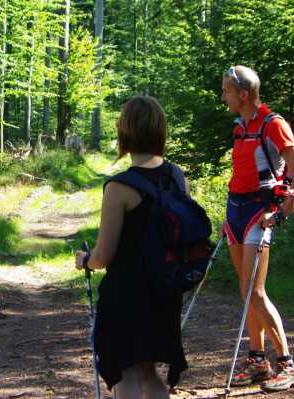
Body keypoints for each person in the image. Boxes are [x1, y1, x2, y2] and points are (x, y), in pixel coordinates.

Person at [74, 96, 186, 399]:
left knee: (128, 375)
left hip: (127, 294)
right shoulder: (177, 177)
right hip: (165, 291)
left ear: (125, 132)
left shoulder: (120, 186)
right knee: (150, 373)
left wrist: (85, 261)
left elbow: (104, 256)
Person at [220, 65, 294, 392]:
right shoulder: (241, 126)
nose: (223, 97)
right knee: (246, 293)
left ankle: (288, 365)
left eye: (227, 91)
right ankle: (258, 360)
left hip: (260, 213)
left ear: (243, 94)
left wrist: (283, 208)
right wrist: (227, 218)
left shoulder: (273, 125)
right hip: (236, 211)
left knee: (256, 293)